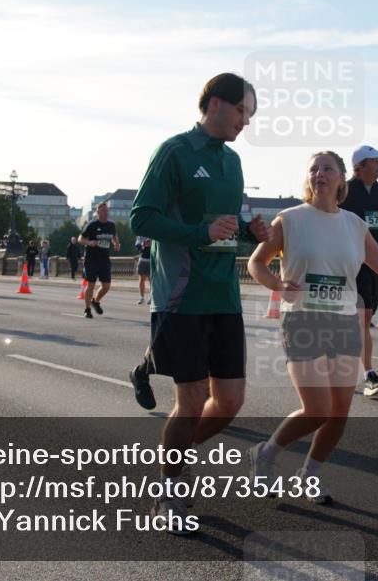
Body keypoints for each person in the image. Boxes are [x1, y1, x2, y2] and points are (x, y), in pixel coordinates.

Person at [247, 151, 378, 503]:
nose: (319, 174)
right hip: (303, 320)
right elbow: (257, 263)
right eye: (313, 169)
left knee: (339, 412)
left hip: (345, 321)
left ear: (341, 178)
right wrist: (278, 284)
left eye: (327, 168)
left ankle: (309, 475)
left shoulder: (354, 224)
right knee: (317, 408)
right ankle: (265, 454)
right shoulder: (290, 219)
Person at [128, 72, 270, 533]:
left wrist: (250, 231)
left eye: (250, 114)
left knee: (229, 402)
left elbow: (224, 224)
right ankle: (171, 492)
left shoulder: (232, 161)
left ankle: (173, 460)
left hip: (224, 295)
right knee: (191, 401)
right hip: (181, 296)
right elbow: (141, 218)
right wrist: (198, 233)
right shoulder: (174, 151)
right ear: (215, 105)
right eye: (242, 111)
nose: (246, 121)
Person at [339, 145, 378, 396]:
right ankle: (369, 374)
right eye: (376, 161)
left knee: (362, 318)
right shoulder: (345, 190)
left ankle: (341, 364)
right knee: (362, 317)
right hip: (354, 262)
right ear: (361, 165)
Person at [79, 203, 120, 318]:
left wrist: (116, 244)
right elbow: (80, 239)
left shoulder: (111, 225)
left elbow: (114, 236)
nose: (105, 213)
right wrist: (89, 242)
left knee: (106, 286)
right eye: (103, 211)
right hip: (91, 259)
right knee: (91, 284)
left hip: (104, 259)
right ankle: (87, 309)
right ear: (97, 213)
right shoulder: (92, 225)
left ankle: (95, 301)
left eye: (107, 211)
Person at [135, 236, 152, 305]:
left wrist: (151, 243)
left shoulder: (154, 233)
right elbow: (137, 245)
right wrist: (144, 244)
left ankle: (151, 298)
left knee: (151, 280)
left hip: (152, 259)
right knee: (141, 279)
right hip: (142, 259)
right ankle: (142, 298)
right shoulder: (141, 235)